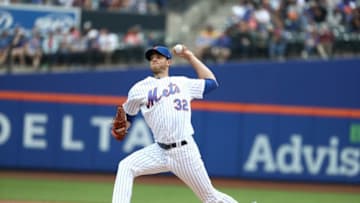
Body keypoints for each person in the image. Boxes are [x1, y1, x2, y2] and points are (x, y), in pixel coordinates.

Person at [112, 45, 238, 203]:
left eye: (159, 56)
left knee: (210, 198)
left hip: (184, 151)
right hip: (159, 150)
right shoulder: (138, 89)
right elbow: (128, 116)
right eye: (152, 57)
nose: (154, 59)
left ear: (168, 62)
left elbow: (211, 82)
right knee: (126, 166)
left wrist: (190, 57)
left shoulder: (182, 83)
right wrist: (124, 127)